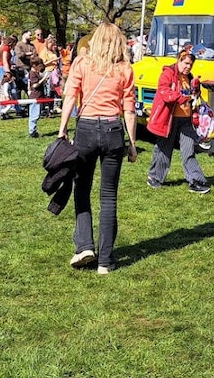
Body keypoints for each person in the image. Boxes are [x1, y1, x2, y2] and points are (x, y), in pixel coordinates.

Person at [57, 23, 138, 274]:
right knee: (109, 196)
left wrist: (62, 129)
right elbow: (129, 109)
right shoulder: (125, 69)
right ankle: (105, 260)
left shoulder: (82, 64)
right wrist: (132, 144)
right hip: (114, 130)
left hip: (87, 129)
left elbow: (70, 96)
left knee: (82, 189)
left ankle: (84, 246)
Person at [146, 50, 211, 194]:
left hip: (186, 120)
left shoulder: (190, 77)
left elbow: (193, 95)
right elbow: (164, 91)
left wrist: (196, 93)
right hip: (168, 118)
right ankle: (154, 177)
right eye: (186, 63)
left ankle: (196, 181)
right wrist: (181, 97)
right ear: (179, 60)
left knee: (189, 151)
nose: (188, 67)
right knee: (164, 148)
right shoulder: (168, 73)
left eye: (191, 64)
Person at [27, 56, 47, 137]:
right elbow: (35, 85)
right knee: (34, 114)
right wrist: (43, 79)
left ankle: (33, 131)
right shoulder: (32, 73)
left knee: (36, 114)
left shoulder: (36, 72)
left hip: (38, 96)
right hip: (35, 97)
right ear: (34, 65)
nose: (40, 67)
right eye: (39, 65)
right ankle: (32, 132)